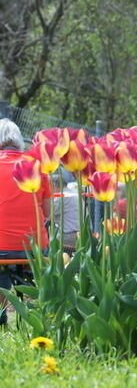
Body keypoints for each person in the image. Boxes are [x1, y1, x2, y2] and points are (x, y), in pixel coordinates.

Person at [0, 119, 52, 326]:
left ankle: (1, 314)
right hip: (34, 246)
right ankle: (34, 313)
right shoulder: (38, 167)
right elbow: (47, 212)